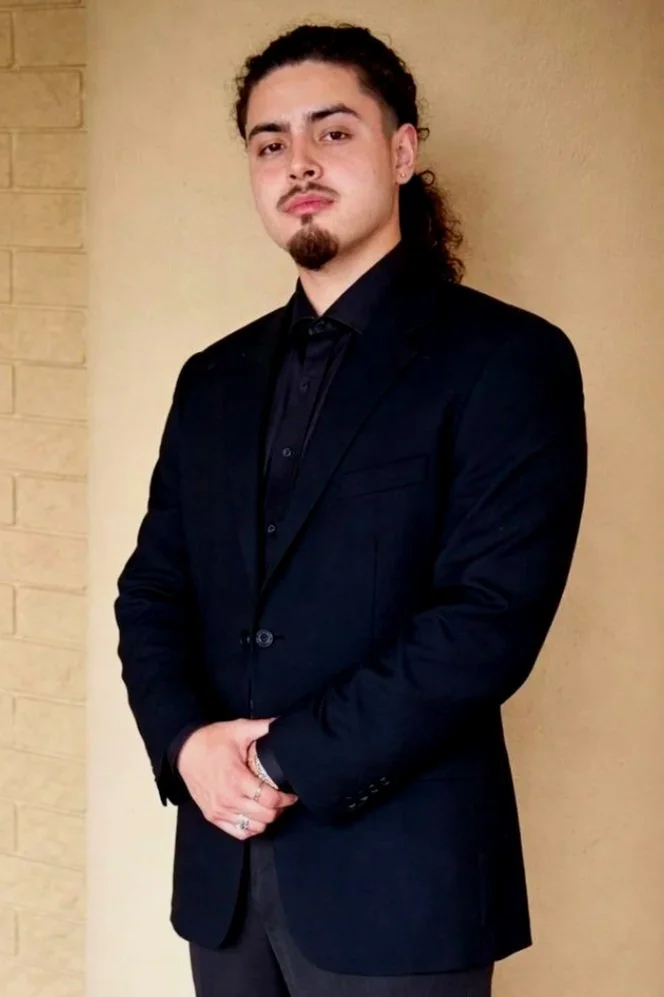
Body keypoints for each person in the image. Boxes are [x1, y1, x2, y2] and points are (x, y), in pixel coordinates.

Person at [114, 22, 587, 997]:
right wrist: (186, 745)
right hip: (225, 878)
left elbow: (485, 621)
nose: (297, 163)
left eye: (332, 132)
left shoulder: (508, 359)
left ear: (402, 151)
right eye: (268, 142)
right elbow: (153, 590)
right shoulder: (211, 380)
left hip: (403, 884)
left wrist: (283, 756)